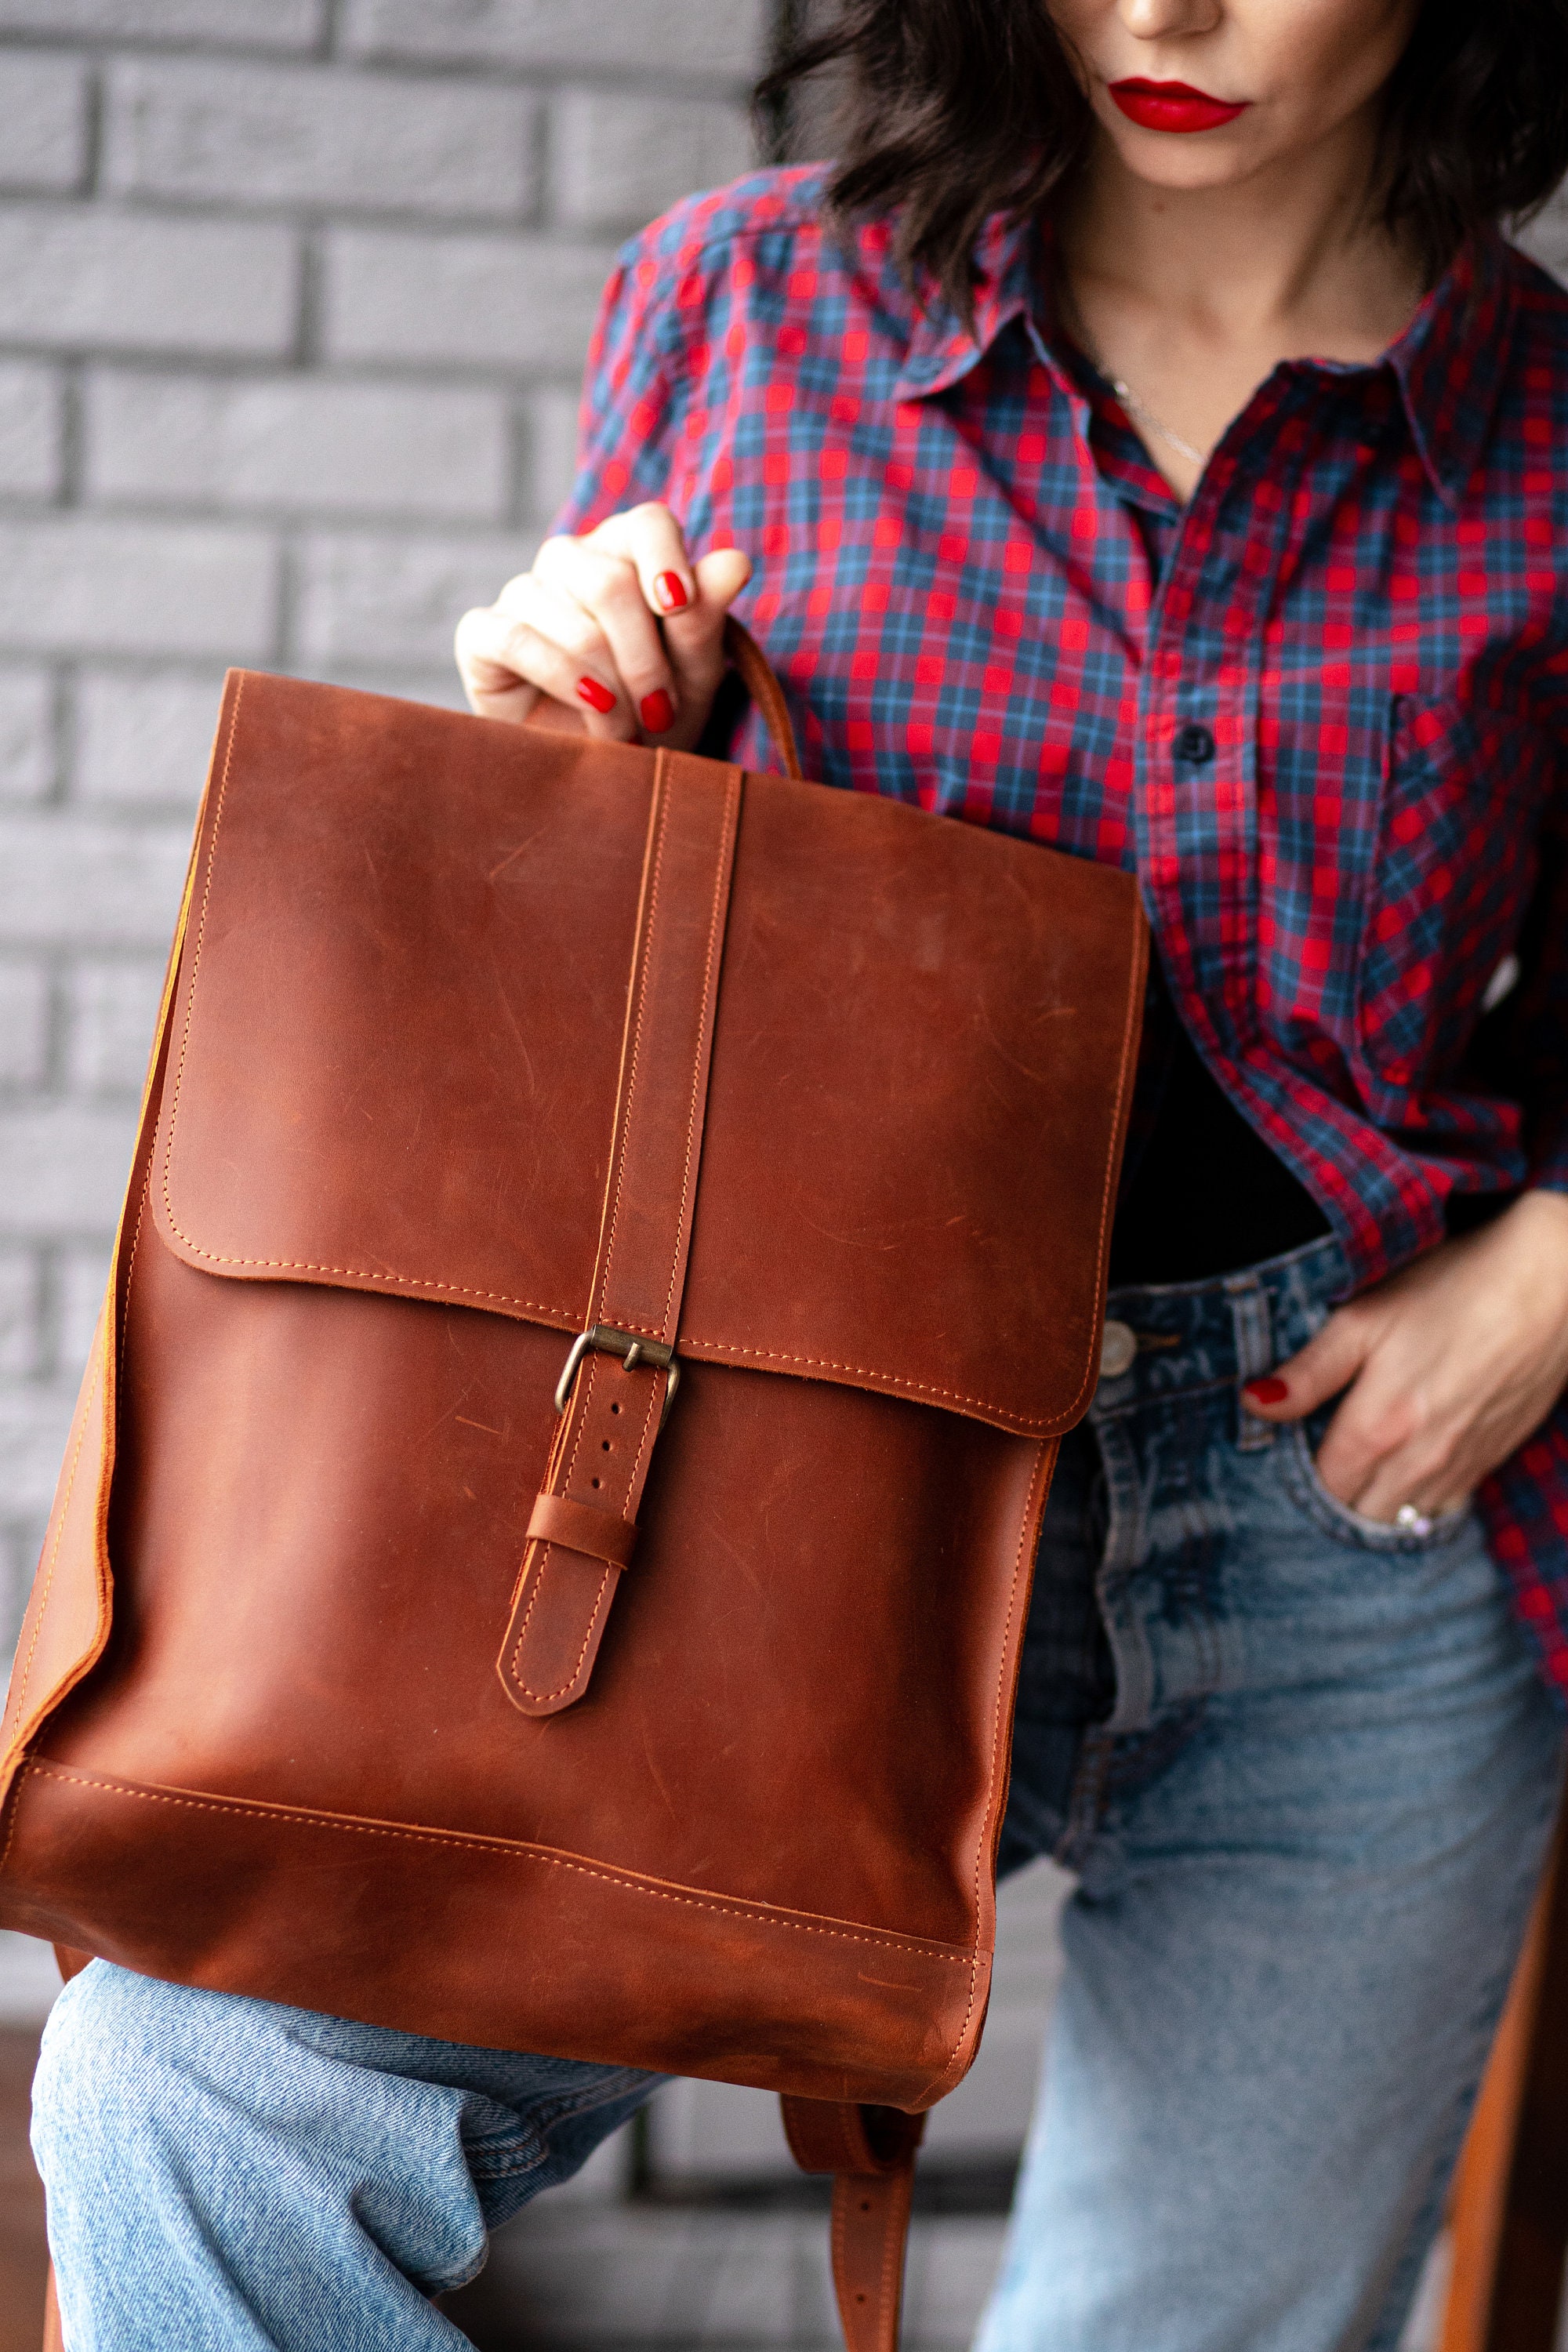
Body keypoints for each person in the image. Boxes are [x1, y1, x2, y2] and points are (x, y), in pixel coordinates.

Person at [31, 1, 1568, 2345]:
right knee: (197, 2111)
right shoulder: (746, 296)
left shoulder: (1549, 434)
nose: (1162, 9)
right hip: (783, 1465)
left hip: (1346, 1519)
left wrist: (1557, 1265)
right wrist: (588, 740)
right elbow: (657, 904)